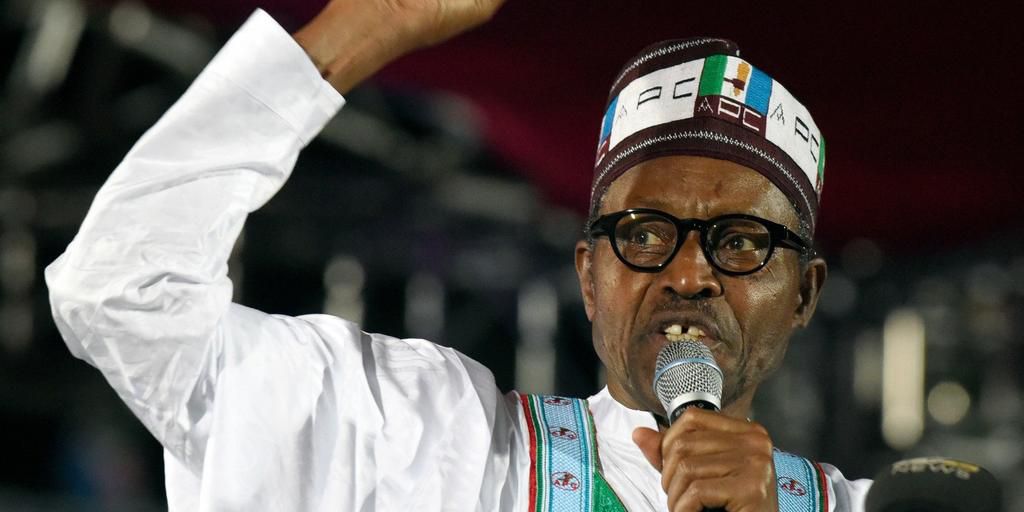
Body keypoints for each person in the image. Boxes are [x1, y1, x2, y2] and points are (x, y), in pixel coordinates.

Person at [45, 0, 872, 510]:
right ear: (589, 276)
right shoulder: (429, 449)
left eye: (739, 243)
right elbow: (119, 293)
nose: (689, 276)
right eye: (647, 235)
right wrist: (360, 27)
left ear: (803, 293)